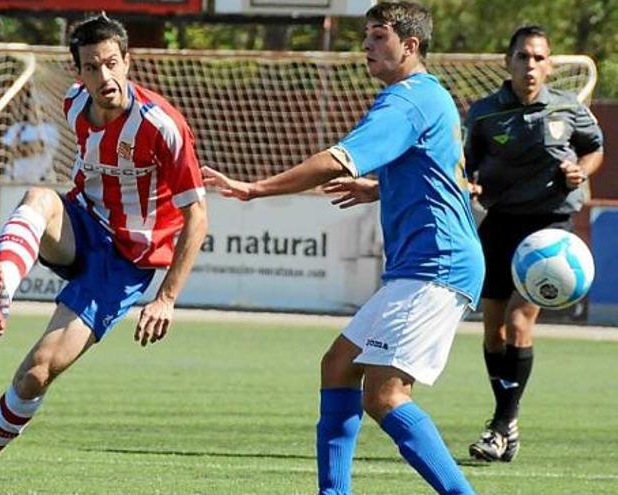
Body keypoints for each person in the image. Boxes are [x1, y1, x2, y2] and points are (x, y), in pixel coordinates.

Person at [204, 3, 482, 494]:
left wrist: (255, 189)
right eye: (367, 37)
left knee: (386, 395)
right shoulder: (432, 96)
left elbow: (337, 160)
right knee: (338, 366)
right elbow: (437, 173)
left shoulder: (406, 100)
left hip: (435, 267)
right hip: (423, 266)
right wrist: (380, 188)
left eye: (378, 36)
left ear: (410, 46)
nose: (367, 46)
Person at [0, 14, 208, 494]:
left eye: (112, 64)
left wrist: (166, 298)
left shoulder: (162, 125)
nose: (105, 78)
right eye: (92, 68)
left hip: (126, 265)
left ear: (128, 62)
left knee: (36, 372)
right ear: (77, 73)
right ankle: (2, 296)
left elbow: (198, 217)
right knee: (40, 196)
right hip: (83, 225)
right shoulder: (74, 103)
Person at [464, 25, 603, 463]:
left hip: (550, 228)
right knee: (492, 331)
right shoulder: (484, 113)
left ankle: (501, 426)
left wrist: (581, 169)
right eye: (523, 57)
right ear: (508, 62)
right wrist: (469, 184)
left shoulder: (569, 108)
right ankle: (508, 421)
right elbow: (470, 163)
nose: (531, 66)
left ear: (550, 64)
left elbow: (594, 148)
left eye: (539, 58)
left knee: (520, 323)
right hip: (502, 221)